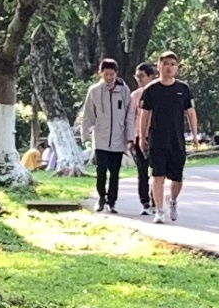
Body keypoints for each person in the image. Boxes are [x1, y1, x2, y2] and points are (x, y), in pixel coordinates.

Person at [133, 52, 198, 219]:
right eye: (166, 63)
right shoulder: (151, 90)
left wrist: (195, 135)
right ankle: (159, 211)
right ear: (159, 66)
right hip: (157, 139)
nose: (169, 67)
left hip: (177, 139)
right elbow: (144, 115)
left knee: (177, 178)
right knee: (157, 175)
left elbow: (190, 113)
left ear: (176, 68)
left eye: (172, 64)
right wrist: (142, 136)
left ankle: (173, 201)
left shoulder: (183, 89)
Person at [77, 56, 136, 213]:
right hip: (101, 139)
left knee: (115, 173)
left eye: (112, 74)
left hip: (118, 139)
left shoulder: (124, 90)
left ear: (116, 74)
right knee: (101, 170)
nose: (109, 77)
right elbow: (88, 114)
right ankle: (101, 196)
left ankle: (112, 201)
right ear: (100, 73)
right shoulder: (94, 91)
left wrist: (130, 137)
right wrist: (86, 136)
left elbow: (129, 115)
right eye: (106, 74)